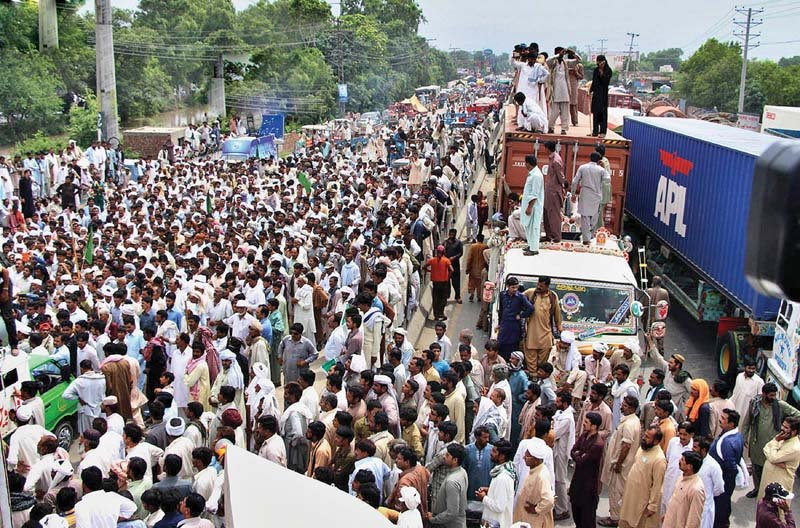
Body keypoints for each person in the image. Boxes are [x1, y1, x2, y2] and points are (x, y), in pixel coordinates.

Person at [742, 383, 800, 497]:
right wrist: (744, 436)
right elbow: (747, 421)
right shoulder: (755, 404)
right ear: (764, 394)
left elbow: (797, 415)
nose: (773, 397)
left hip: (773, 445)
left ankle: (766, 493)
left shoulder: (780, 405)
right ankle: (757, 489)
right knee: (756, 469)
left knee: (769, 470)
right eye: (771, 395)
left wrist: (792, 429)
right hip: (756, 443)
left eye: (775, 395)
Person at [599, 395, 641, 528]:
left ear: (632, 408)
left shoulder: (629, 424)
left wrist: (618, 464)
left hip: (621, 465)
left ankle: (615, 519)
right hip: (624, 464)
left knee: (616, 492)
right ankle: (615, 515)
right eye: (622, 404)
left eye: (625, 406)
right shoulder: (633, 420)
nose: (622, 407)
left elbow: (626, 446)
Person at [618, 426, 667, 528]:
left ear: (656, 441)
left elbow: (657, 486)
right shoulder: (642, 448)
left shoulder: (659, 459)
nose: (644, 438)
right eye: (645, 435)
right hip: (630, 496)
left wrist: (652, 506)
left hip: (643, 502)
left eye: (648, 437)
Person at [570, 411, 606, 528]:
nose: (583, 424)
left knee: (587, 518)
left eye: (586, 422)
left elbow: (581, 461)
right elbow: (573, 450)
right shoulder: (584, 436)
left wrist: (579, 455)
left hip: (588, 486)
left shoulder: (597, 444)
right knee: (576, 512)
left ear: (594, 426)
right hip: (578, 481)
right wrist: (580, 454)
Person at [709, 409, 744, 528]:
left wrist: (722, 482)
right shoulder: (734, 435)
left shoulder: (728, 443)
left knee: (720, 508)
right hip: (725, 482)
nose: (720, 420)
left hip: (722, 482)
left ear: (731, 424)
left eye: (724, 419)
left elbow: (731, 467)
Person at [522, 276, 561, 375]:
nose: (538, 287)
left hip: (546, 335)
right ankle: (533, 379)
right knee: (531, 364)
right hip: (531, 334)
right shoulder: (531, 293)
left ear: (547, 286)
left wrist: (560, 328)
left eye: (541, 286)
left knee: (542, 363)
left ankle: (539, 379)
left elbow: (557, 314)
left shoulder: (552, 297)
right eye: (538, 284)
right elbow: (518, 299)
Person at [757, 416, 800, 501]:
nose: (782, 428)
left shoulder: (794, 448)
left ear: (794, 431)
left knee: (775, 511)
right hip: (768, 479)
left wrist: (773, 456)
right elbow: (765, 448)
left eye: (786, 427)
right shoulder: (782, 437)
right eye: (783, 425)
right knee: (762, 507)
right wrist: (773, 458)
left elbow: (773, 458)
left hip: (780, 483)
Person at [513, 440, 555, 527]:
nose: (524, 458)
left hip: (533, 520)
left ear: (536, 460)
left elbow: (549, 500)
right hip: (525, 518)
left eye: (527, 456)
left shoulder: (541, 476)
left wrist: (536, 509)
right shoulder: (534, 471)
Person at [427, 443, 468, 528]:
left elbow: (451, 513)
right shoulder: (462, 471)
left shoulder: (451, 482)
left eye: (447, 455)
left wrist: (433, 519)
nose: (444, 457)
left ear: (455, 460)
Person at [477, 439, 516, 528]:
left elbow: (499, 506)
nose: (491, 453)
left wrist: (483, 497)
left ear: (502, 456)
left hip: (497, 523)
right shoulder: (502, 471)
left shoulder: (502, 477)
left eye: (494, 451)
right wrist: (490, 490)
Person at [662, 451, 706, 528]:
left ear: (690, 466)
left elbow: (694, 520)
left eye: (682, 460)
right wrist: (667, 515)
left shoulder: (696, 489)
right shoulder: (681, 477)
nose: (679, 461)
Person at [661, 421, 695, 516]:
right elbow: (668, 459)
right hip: (668, 483)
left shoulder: (693, 449)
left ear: (691, 435)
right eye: (680, 434)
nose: (682, 437)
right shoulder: (673, 442)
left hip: (682, 487)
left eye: (685, 434)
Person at [571, 152, 606, 244]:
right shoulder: (601, 170)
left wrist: (573, 193)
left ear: (590, 158)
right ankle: (589, 235)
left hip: (585, 193)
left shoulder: (583, 167)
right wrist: (603, 168)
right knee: (594, 216)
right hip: (596, 195)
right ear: (599, 161)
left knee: (585, 216)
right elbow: (607, 180)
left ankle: (586, 239)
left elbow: (575, 181)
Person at [496, 278, 533, 361]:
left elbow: (530, 308)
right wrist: (499, 323)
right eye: (513, 287)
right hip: (504, 325)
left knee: (513, 347)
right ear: (508, 287)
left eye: (516, 287)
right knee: (501, 345)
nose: (515, 289)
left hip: (514, 326)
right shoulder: (502, 295)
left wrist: (521, 315)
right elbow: (501, 310)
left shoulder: (520, 297)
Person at [551, 391, 574, 521]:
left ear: (565, 403)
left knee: (560, 480)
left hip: (561, 453)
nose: (556, 403)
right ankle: (557, 505)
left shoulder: (567, 418)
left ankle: (563, 509)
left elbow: (555, 433)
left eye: (559, 401)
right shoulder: (560, 414)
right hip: (556, 450)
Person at [693, 436, 725, 528]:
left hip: (704, 507)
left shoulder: (713, 466)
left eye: (695, 447)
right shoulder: (692, 461)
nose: (692, 449)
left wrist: (708, 494)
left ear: (703, 450)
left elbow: (719, 488)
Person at [519, 155, 544, 256]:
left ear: (528, 163)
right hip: (529, 205)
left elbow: (535, 193)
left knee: (534, 227)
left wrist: (530, 207)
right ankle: (530, 244)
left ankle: (534, 249)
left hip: (534, 206)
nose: (525, 165)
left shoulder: (536, 175)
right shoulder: (532, 174)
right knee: (528, 226)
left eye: (525, 163)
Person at [541, 141, 566, 243]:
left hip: (554, 191)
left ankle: (556, 237)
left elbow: (561, 176)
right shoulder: (552, 158)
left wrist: (564, 186)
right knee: (546, 213)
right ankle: (548, 235)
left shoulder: (556, 160)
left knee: (554, 214)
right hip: (549, 190)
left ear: (548, 148)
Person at [546, 47, 572, 135]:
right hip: (555, 91)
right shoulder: (552, 63)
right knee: (554, 112)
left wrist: (573, 53)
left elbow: (578, 61)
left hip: (565, 90)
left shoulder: (565, 62)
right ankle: (551, 127)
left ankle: (564, 129)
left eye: (562, 53)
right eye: (560, 53)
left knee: (565, 112)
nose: (562, 54)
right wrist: (558, 55)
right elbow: (547, 61)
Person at [424, 245, 453, 322]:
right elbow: (452, 270)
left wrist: (430, 271)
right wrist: (447, 277)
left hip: (436, 283)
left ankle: (436, 315)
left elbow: (424, 266)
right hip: (443, 283)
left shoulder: (432, 260)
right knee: (443, 299)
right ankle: (440, 313)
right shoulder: (446, 260)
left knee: (436, 299)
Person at [590, 55, 613, 137]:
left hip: (603, 95)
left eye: (601, 62)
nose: (599, 64)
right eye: (598, 62)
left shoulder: (608, 71)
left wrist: (602, 73)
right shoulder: (596, 70)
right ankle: (595, 131)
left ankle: (603, 132)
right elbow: (594, 81)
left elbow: (605, 82)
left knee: (602, 114)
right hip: (596, 95)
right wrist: (590, 90)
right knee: (595, 113)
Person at [465, 233, 488, 303]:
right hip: (481, 268)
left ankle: (472, 294)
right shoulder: (485, 246)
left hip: (473, 268)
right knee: (479, 283)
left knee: (472, 282)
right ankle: (479, 296)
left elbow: (469, 258)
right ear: (483, 239)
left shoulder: (473, 246)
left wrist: (467, 268)